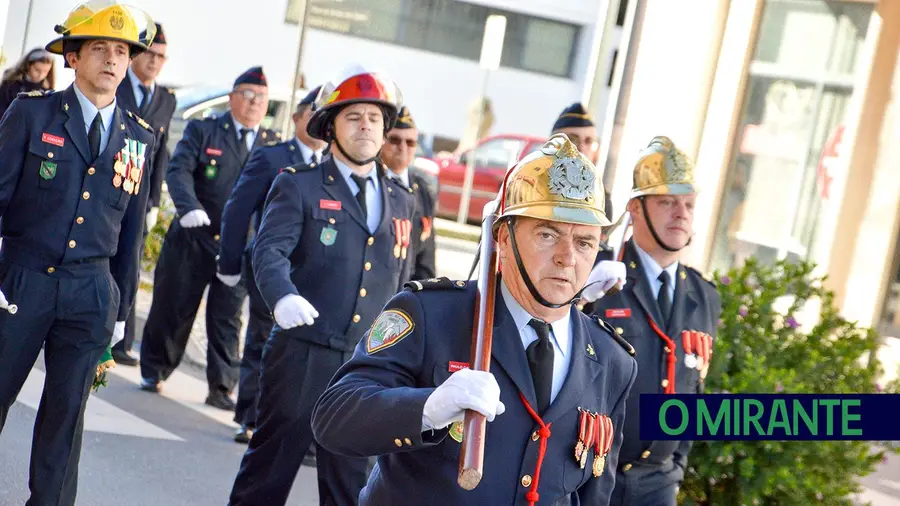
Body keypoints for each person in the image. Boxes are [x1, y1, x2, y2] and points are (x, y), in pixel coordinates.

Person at [313, 134, 637, 505]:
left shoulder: (611, 360)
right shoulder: (432, 314)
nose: (568, 257)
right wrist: (427, 409)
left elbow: (592, 494)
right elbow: (334, 416)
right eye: (548, 234)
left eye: (584, 242)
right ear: (503, 237)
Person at [227, 65, 415, 506]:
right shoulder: (300, 185)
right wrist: (283, 295)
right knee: (269, 471)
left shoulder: (402, 198)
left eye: (374, 117)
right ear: (331, 127)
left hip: (366, 364)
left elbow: (405, 282)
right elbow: (268, 251)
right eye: (353, 117)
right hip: (302, 353)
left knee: (351, 486)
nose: (365, 125)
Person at [0, 2, 155, 504]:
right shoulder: (32, 112)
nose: (112, 59)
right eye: (99, 49)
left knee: (66, 419)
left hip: (91, 293)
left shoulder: (139, 137)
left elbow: (130, 237)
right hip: (23, 279)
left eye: (121, 51)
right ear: (72, 57)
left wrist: (121, 316)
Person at [585, 136, 722, 505]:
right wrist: (580, 297)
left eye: (689, 204)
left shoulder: (703, 295)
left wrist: (676, 463)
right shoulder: (598, 274)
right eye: (667, 202)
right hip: (591, 474)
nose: (681, 213)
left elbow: (694, 387)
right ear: (635, 207)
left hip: (657, 484)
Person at [139, 66, 278, 410]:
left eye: (261, 98)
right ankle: (154, 369)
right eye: (247, 95)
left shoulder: (271, 145)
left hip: (237, 244)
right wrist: (188, 207)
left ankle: (221, 386)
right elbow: (179, 168)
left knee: (227, 316)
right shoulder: (205, 130)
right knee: (175, 305)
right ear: (231, 98)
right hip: (193, 235)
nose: (254, 103)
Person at [217, 85, 327, 443]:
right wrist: (230, 261)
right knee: (263, 342)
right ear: (296, 117)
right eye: (311, 111)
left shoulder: (333, 169)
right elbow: (238, 209)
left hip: (313, 277)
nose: (317, 119)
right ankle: (250, 417)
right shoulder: (272, 157)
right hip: (271, 267)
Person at [112, 21, 176, 366]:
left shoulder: (166, 99)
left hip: (142, 190)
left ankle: (121, 339)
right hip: (110, 180)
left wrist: (153, 200)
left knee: (131, 263)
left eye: (161, 56)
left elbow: (161, 152)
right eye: (150, 53)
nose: (154, 61)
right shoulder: (116, 84)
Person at [379, 105, 436, 280]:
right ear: (382, 141)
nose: (403, 147)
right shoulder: (371, 181)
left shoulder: (422, 189)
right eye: (395, 140)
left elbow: (426, 256)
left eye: (410, 142)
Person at [552, 102, 613, 222]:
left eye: (589, 141)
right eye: (573, 140)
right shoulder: (533, 187)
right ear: (554, 145)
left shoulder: (601, 199)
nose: (581, 148)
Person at [0, 47, 55, 119]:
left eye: (45, 72)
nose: (41, 75)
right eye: (37, 70)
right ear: (28, 65)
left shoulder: (47, 91)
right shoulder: (10, 83)